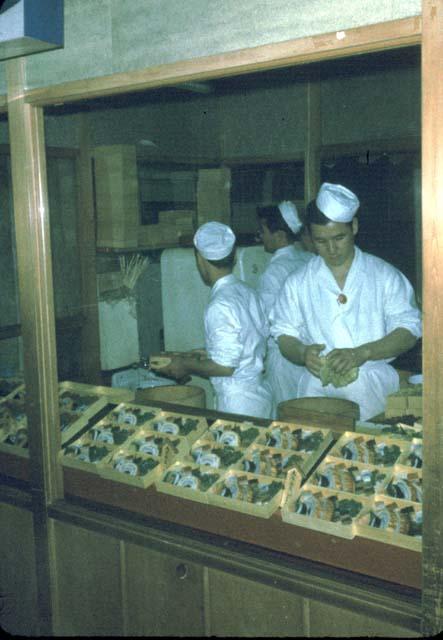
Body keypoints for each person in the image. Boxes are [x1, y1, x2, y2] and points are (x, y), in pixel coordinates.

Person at [269, 182, 422, 421]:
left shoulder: (384, 275)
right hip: (317, 393)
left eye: (339, 237)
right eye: (321, 241)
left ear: (355, 227)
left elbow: (409, 330)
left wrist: (363, 352)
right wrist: (302, 352)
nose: (331, 249)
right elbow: (283, 334)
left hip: (371, 391)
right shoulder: (298, 282)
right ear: (310, 237)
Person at [152, 221, 272, 419]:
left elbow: (225, 367)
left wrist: (184, 364)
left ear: (199, 259)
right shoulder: (247, 291)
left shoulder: (219, 305)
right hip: (260, 395)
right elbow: (250, 342)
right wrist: (207, 353)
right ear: (233, 257)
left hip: (237, 403)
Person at [256, 201, 313, 414]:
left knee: (288, 417)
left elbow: (268, 323)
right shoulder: (308, 258)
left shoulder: (274, 272)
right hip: (309, 354)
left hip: (284, 357)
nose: (260, 236)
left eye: (263, 231)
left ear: (279, 236)